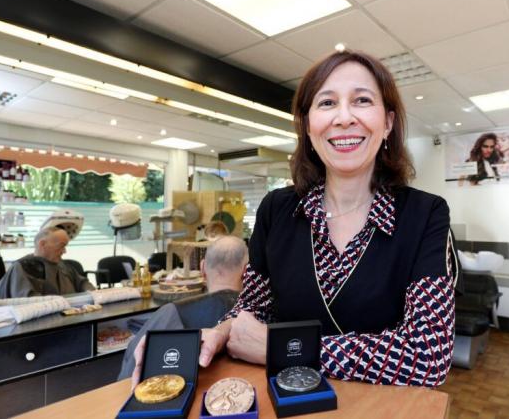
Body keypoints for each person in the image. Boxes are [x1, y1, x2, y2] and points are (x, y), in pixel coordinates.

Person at [194, 50, 457, 387]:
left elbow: (428, 356)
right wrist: (220, 331)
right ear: (307, 124)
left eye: (362, 100)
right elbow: (252, 308)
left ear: (388, 122)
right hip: (287, 402)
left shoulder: (425, 214)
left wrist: (284, 349)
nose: (344, 117)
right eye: (327, 103)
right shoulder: (277, 209)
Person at [124, 235, 247, 385]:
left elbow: (129, 374)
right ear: (246, 271)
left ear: (202, 268)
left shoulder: (171, 313)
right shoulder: (262, 315)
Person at [0, 226, 94, 298]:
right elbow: (29, 302)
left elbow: (82, 283)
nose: (64, 251)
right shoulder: (24, 267)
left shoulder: (62, 265)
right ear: (42, 244)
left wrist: (94, 294)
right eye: (61, 246)